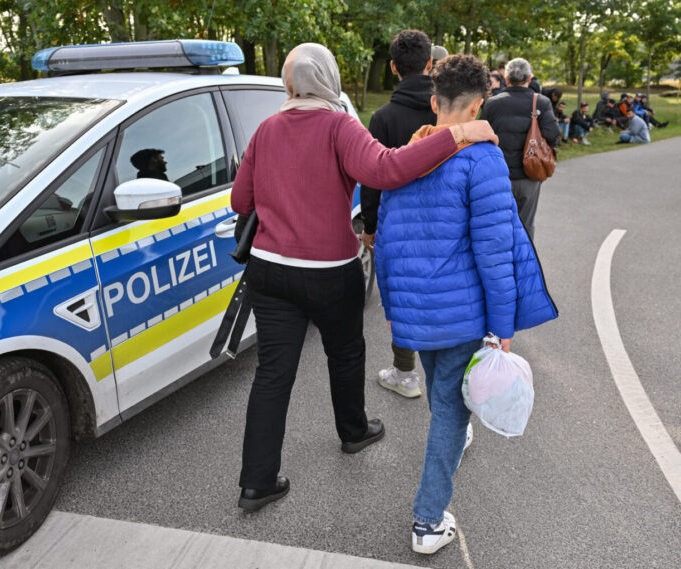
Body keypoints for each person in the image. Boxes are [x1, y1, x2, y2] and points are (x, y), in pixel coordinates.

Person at [230, 42, 499, 512]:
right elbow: (385, 169)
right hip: (329, 271)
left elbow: (240, 201)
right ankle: (353, 432)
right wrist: (457, 136)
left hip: (269, 270)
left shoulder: (266, 128)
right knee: (346, 353)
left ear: (289, 81)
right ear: (329, 78)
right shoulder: (338, 125)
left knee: (273, 374)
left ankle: (257, 481)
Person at [375, 54, 558, 556]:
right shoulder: (481, 159)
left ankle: (448, 453)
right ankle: (428, 520)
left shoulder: (406, 155)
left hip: (417, 309)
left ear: (434, 104)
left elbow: (386, 241)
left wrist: (394, 308)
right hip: (462, 312)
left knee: (445, 401)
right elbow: (495, 250)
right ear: (481, 104)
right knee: (451, 415)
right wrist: (503, 325)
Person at [360, 29, 436, 399]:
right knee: (444, 294)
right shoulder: (449, 111)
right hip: (446, 224)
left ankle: (406, 373)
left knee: (403, 296)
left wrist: (370, 227)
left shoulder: (383, 118)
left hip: (399, 225)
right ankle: (445, 377)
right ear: (430, 63)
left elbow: (372, 179)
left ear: (392, 68)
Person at [482, 57, 558, 240]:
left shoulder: (492, 103)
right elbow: (552, 133)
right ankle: (525, 264)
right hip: (529, 175)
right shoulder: (541, 102)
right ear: (529, 79)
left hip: (499, 175)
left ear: (506, 79)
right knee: (525, 224)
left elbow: (481, 136)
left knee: (498, 223)